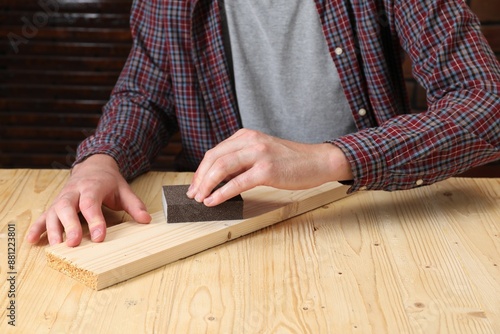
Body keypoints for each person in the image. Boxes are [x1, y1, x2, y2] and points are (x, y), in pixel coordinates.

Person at [27, 0, 500, 247]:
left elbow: (488, 103)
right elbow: (146, 94)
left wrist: (326, 158)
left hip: (364, 213)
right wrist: (100, 160)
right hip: (220, 223)